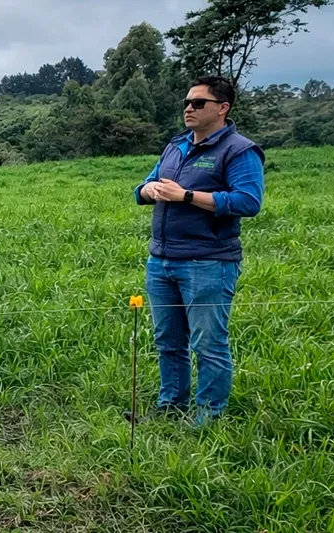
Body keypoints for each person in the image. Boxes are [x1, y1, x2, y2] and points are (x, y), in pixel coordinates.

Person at [130, 75, 265, 428]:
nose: (189, 108)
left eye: (198, 103)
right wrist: (151, 191)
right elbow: (141, 187)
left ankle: (208, 415)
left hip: (208, 261)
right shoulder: (176, 146)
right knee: (168, 339)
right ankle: (170, 404)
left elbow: (248, 201)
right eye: (187, 103)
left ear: (222, 108)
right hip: (162, 259)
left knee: (208, 343)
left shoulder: (239, 150)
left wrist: (187, 196)